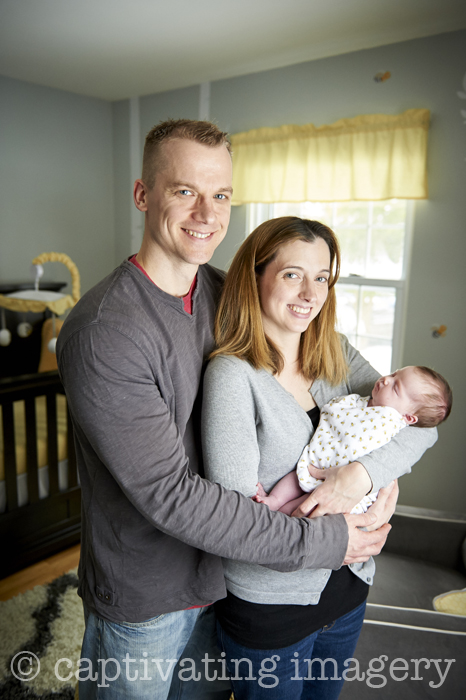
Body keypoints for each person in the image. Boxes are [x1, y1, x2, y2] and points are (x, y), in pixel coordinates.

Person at [56, 121, 400, 700]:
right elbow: (171, 494)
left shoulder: (228, 296)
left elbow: (373, 393)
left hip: (232, 579)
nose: (205, 213)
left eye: (220, 195)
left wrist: (365, 471)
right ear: (143, 195)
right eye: (184, 191)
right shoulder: (104, 331)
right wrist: (325, 541)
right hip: (150, 597)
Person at [202, 216, 438, 699]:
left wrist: (359, 475)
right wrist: (340, 536)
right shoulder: (232, 376)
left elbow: (419, 430)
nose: (310, 292)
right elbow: (234, 517)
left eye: (322, 277)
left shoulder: (334, 351)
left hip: (349, 591)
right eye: (292, 274)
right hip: (273, 609)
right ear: (256, 276)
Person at [255, 366, 452, 516]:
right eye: (393, 375)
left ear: (408, 418)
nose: (385, 380)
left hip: (341, 484)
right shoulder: (362, 402)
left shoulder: (390, 422)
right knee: (295, 478)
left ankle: (280, 515)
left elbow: (428, 432)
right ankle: (273, 499)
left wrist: (363, 474)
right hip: (319, 461)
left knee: (308, 503)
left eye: (396, 387)